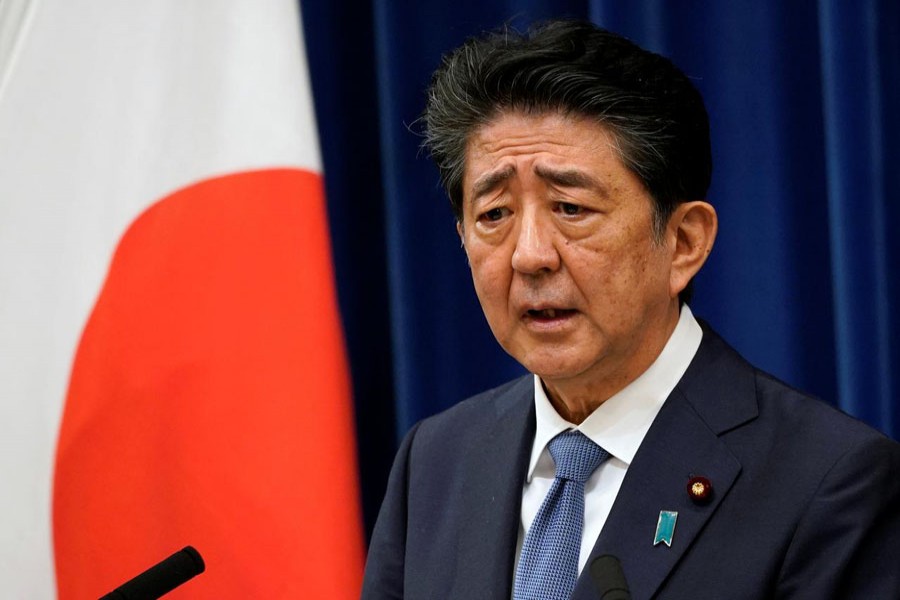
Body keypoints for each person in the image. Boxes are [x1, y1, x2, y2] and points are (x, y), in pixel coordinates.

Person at [361, 20, 900, 600]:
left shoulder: (826, 481)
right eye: (494, 215)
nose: (530, 255)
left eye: (571, 207)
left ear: (684, 242)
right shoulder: (436, 460)